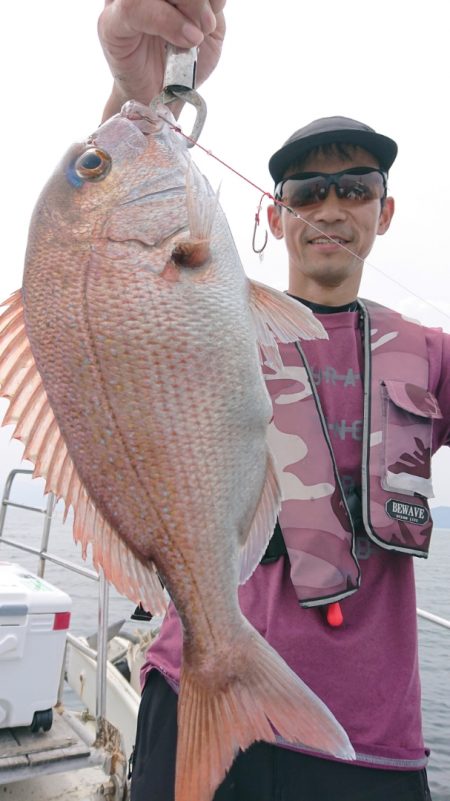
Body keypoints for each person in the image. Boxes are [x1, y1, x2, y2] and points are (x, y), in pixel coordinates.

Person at [98, 3, 449, 799]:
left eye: (354, 188)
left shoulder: (430, 353)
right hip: (194, 695)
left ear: (384, 212)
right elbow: (105, 252)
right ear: (272, 210)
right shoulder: (205, 318)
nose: (330, 207)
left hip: (364, 741)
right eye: (306, 188)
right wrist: (138, 98)